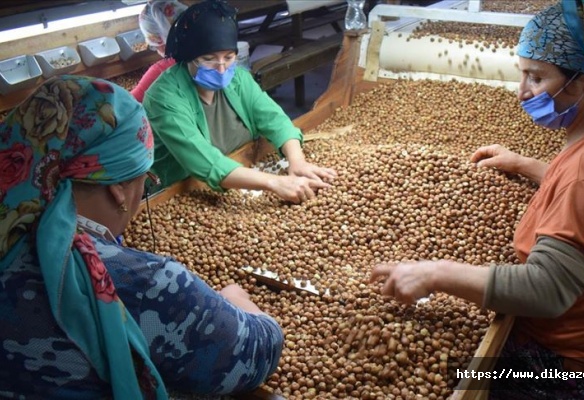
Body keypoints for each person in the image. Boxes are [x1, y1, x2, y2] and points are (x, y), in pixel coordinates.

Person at [371, 2, 584, 399]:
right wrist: (529, 166)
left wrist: (435, 273)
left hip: (573, 371)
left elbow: (547, 288)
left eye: (537, 78)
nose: (522, 93)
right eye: (522, 75)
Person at [0, 75, 283, 399]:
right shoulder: (144, 286)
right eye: (144, 179)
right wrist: (237, 301)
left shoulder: (12, 230)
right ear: (119, 189)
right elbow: (257, 352)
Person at [143, 0, 337, 204]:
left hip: (242, 167)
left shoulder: (239, 79)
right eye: (208, 59)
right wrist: (275, 183)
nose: (221, 69)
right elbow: (206, 162)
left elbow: (274, 118)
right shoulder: (163, 98)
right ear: (188, 57)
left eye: (228, 57)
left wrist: (297, 161)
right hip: (179, 191)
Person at [130, 0, 188, 102]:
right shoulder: (211, 55)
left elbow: (127, 103)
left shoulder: (163, 70)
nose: (156, 49)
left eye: (155, 45)